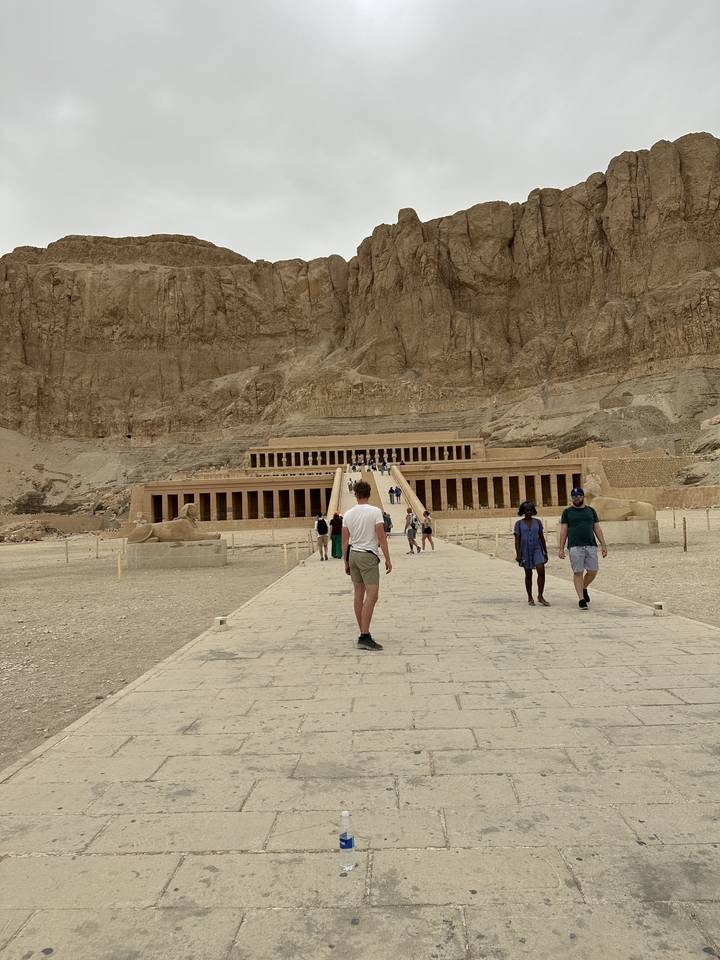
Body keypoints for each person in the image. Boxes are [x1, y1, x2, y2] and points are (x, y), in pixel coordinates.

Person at [342, 480, 392, 651]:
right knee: (373, 595)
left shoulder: (348, 514)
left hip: (354, 554)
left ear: (355, 495)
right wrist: (387, 558)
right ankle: (364, 635)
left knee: (358, 595)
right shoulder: (375, 512)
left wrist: (346, 561)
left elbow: (344, 540)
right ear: (369, 494)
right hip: (368, 556)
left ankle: (364, 632)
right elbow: (381, 536)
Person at [558, 487, 608, 610]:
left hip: (590, 544)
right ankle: (581, 599)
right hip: (575, 545)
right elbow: (563, 530)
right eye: (574, 497)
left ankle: (584, 587)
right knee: (578, 571)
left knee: (593, 570)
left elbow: (597, 528)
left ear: (583, 497)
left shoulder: (591, 511)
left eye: (579, 496)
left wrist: (603, 544)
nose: (577, 498)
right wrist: (561, 548)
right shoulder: (567, 512)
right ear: (572, 498)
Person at [514, 501, 549, 606]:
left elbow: (541, 537)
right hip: (525, 550)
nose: (528, 512)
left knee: (541, 570)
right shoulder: (518, 524)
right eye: (526, 510)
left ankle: (540, 596)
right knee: (528, 574)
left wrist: (545, 552)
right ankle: (530, 597)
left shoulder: (537, 522)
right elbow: (517, 540)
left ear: (533, 510)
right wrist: (518, 554)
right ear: (523, 511)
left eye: (530, 510)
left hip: (537, 548)